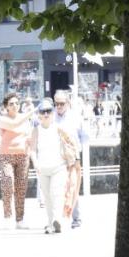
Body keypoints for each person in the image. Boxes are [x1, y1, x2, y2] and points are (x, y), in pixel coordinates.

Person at [27, 100, 77, 235]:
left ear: (53, 113)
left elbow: (71, 143)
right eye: (43, 112)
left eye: (49, 111)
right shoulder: (36, 130)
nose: (46, 114)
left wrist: (74, 159)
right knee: (47, 197)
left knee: (57, 193)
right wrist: (35, 163)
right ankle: (50, 223)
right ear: (39, 115)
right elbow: (32, 149)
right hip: (43, 168)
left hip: (59, 167)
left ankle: (57, 220)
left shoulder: (59, 128)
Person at [52, 90, 87, 228]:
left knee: (72, 186)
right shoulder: (51, 117)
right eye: (57, 103)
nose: (59, 106)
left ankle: (76, 218)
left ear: (68, 103)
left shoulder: (75, 117)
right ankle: (56, 219)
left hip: (73, 158)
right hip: (56, 157)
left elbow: (84, 137)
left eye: (62, 103)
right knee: (56, 188)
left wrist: (79, 154)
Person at [0, 93, 31, 230]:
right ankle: (7, 215)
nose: (15, 106)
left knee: (21, 188)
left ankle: (20, 219)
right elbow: (14, 124)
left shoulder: (25, 119)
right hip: (6, 155)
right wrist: (32, 111)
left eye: (17, 103)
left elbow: (28, 135)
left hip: (23, 155)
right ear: (6, 106)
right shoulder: (2, 119)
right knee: (8, 182)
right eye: (11, 104)